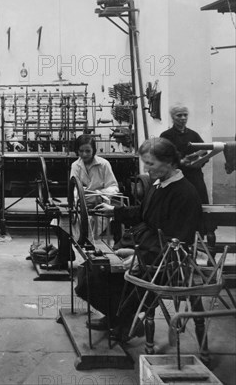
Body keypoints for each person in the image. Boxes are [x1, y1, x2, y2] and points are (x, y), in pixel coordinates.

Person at [77, 138, 202, 340]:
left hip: (163, 261)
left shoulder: (185, 194)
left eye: (151, 163)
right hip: (142, 245)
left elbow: (178, 241)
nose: (146, 168)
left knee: (114, 277)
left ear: (169, 162)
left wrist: (141, 256)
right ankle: (115, 316)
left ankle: (124, 320)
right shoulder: (159, 184)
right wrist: (115, 212)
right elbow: (143, 213)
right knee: (88, 271)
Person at [160, 104, 209, 204]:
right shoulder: (166, 136)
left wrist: (200, 161)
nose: (183, 118)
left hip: (195, 177)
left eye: (185, 115)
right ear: (172, 117)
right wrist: (181, 161)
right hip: (176, 178)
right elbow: (162, 158)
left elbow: (205, 152)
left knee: (199, 205)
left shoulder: (193, 135)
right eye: (179, 115)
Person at [70, 134, 120, 208]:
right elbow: (74, 189)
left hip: (102, 207)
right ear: (77, 150)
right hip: (82, 209)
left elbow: (114, 187)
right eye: (81, 151)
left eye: (88, 151)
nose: (84, 154)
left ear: (93, 150)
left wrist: (100, 193)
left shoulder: (104, 164)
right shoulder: (75, 166)